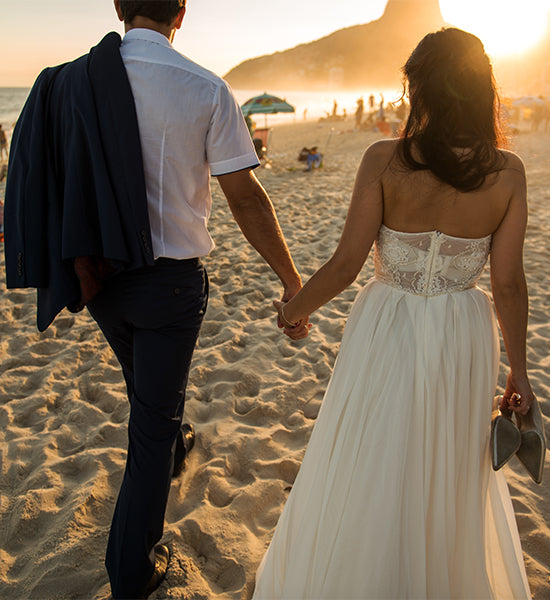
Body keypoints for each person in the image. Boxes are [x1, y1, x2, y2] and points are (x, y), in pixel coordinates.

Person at [5, 1, 303, 599]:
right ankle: (131, 570)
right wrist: (291, 281)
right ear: (182, 13)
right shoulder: (204, 87)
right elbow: (245, 198)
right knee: (150, 422)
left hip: (102, 280)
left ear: (119, 6)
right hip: (169, 285)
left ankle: (173, 442)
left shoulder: (67, 81)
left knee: (147, 389)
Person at [253, 28, 535, 599]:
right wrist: (521, 370)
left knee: (371, 456)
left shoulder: (385, 159)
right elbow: (507, 282)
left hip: (386, 325)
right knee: (448, 469)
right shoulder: (507, 173)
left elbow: (345, 265)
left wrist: (293, 310)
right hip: (463, 331)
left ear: (421, 90)